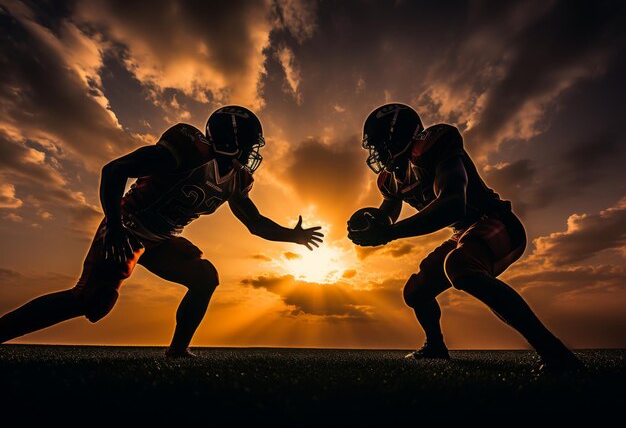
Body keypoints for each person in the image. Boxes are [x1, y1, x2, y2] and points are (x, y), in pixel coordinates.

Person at [0, 105, 324, 357]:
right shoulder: (185, 152)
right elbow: (114, 170)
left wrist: (292, 235)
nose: (253, 152)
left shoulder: (238, 179)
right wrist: (113, 225)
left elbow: (254, 223)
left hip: (161, 239)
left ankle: (177, 351)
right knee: (91, 302)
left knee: (204, 277)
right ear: (235, 143)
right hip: (127, 228)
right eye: (250, 144)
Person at [348, 103, 581, 371]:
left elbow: (452, 203)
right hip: (463, 233)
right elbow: (389, 211)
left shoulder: (433, 145)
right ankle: (435, 347)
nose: (376, 151)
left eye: (379, 142)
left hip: (496, 221)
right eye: (373, 145)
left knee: (459, 265)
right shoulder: (389, 179)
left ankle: (555, 353)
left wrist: (389, 234)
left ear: (399, 134)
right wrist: (372, 224)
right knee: (416, 291)